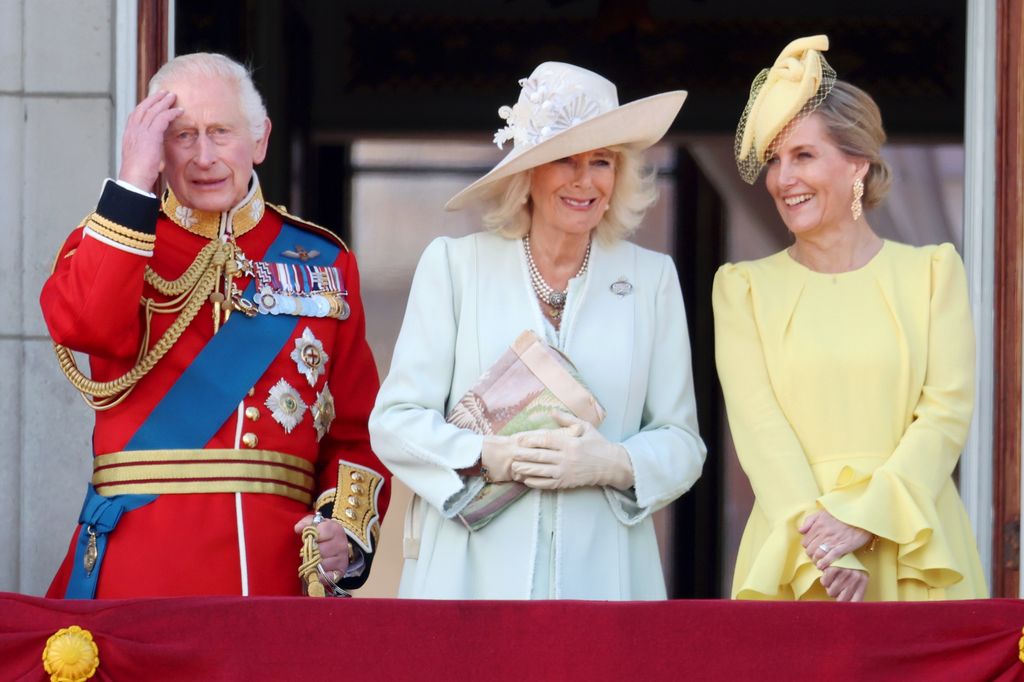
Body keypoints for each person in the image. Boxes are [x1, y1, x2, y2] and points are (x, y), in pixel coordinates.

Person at [42, 53, 390, 598]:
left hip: (275, 574)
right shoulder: (115, 240)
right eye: (183, 137)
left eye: (221, 133)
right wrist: (132, 184)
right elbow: (86, 327)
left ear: (260, 140)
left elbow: (355, 431)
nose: (204, 157)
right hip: (138, 569)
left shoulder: (322, 262)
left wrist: (343, 533)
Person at [369, 62, 706, 599]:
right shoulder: (456, 267)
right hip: (466, 580)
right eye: (564, 160)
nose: (584, 180)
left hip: (604, 579)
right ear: (528, 173)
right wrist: (486, 454)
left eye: (601, 161)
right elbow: (395, 422)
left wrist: (614, 462)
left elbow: (683, 442)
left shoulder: (651, 279)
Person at [714, 35, 987, 601]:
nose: (782, 179)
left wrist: (865, 522)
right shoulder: (741, 290)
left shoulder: (934, 273)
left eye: (804, 155)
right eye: (773, 160)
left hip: (915, 544)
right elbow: (760, 431)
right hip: (797, 550)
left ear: (857, 164)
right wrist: (823, 549)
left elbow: (945, 415)